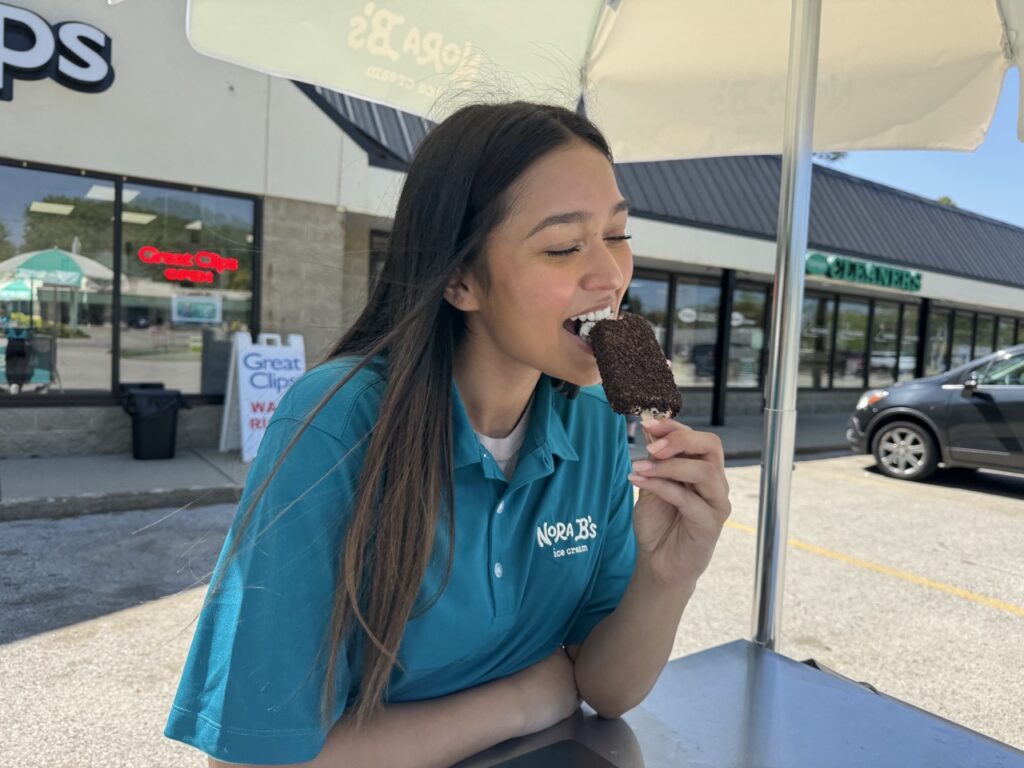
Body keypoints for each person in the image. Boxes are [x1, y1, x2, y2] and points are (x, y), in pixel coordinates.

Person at [164, 102, 731, 767]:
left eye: (618, 233)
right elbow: (252, 757)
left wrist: (668, 578)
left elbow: (606, 691)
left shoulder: (596, 423)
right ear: (461, 278)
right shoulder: (335, 423)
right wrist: (522, 698)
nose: (610, 273)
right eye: (562, 245)